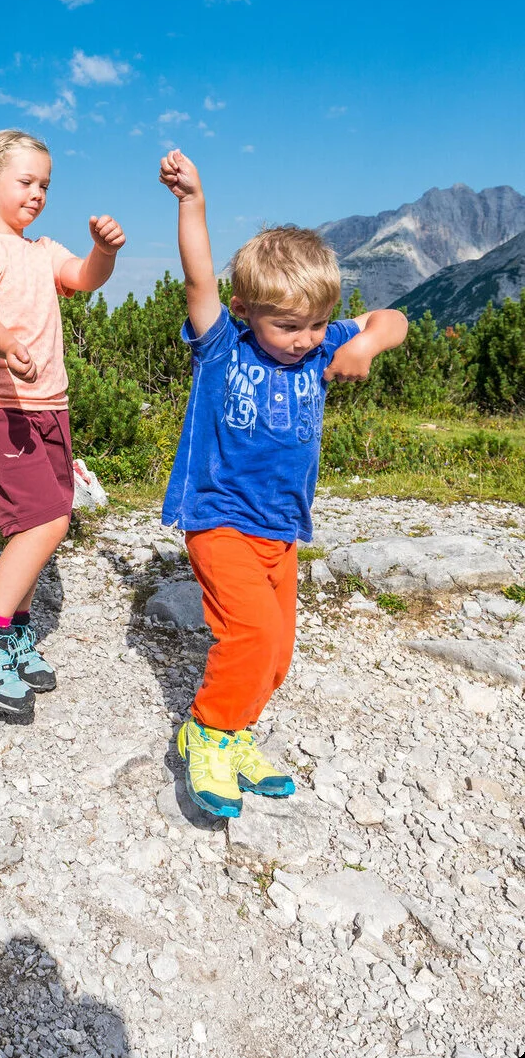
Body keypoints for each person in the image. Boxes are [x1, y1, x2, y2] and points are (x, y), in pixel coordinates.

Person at [158, 148, 409, 817]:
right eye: (288, 325)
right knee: (251, 635)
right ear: (245, 308)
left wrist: (363, 343)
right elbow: (197, 277)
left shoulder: (324, 343)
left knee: (277, 655)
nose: (305, 339)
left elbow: (393, 320)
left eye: (317, 324)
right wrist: (192, 201)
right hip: (220, 519)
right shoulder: (223, 345)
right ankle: (207, 732)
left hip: (282, 528)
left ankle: (237, 732)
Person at [0, 129, 125, 717]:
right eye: (25, 181)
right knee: (48, 520)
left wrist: (104, 251)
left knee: (38, 522)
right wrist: (5, 345)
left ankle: (14, 630)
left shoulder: (43, 250)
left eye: (45, 185)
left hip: (50, 405)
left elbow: (85, 276)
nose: (38, 194)